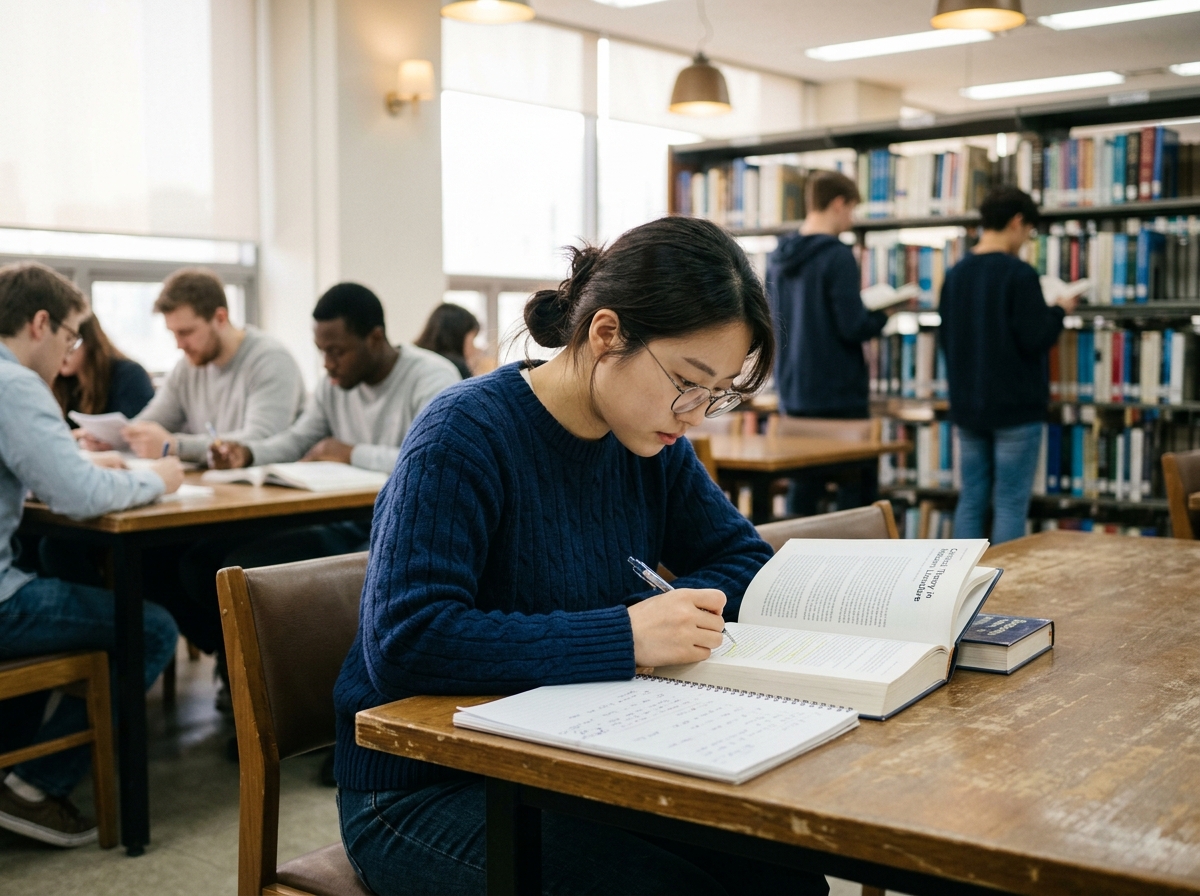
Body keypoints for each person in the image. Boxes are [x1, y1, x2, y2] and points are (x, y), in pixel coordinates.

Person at [331, 217, 829, 896]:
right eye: (688, 381)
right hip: (426, 788)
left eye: (715, 394)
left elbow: (742, 558)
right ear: (605, 334)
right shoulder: (463, 432)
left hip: (570, 758)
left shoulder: (652, 445)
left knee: (785, 876)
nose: (695, 415)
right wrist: (623, 635)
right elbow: (407, 640)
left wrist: (661, 616)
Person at [185, 283, 460, 715]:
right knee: (230, 563)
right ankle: (262, 699)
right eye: (322, 352)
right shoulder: (334, 385)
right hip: (344, 522)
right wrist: (248, 452)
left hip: (404, 532)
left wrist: (351, 452)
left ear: (374, 338)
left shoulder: (431, 376)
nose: (328, 364)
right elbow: (300, 439)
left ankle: (337, 717)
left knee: (318, 584)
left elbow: (431, 457)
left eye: (337, 351)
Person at [0, 262, 183, 848]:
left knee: (51, 566)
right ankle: (32, 786)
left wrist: (77, 467)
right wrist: (160, 479)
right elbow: (78, 498)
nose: (70, 351)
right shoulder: (15, 384)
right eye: (70, 336)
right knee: (152, 628)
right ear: (40, 323)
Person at [939, 186, 1077, 545]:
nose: (1026, 240)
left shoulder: (956, 274)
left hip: (968, 405)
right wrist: (1060, 310)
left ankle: (956, 587)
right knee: (1010, 503)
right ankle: (1002, 592)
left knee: (971, 500)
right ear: (1017, 222)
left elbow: (946, 340)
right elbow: (1034, 338)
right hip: (1016, 408)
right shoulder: (1020, 274)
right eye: (1029, 232)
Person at [766, 170, 904, 515]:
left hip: (793, 391)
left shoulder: (778, 257)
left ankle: (793, 563)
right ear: (839, 204)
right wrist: (886, 314)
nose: (851, 219)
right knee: (854, 493)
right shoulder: (837, 255)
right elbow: (852, 326)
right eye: (851, 209)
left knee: (803, 490)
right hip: (838, 394)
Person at [117, 267, 305, 463]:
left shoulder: (270, 361)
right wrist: (114, 438)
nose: (179, 345)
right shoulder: (187, 367)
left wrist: (176, 446)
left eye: (186, 332)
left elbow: (259, 441)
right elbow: (151, 421)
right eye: (173, 333)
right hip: (214, 485)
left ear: (220, 318)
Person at [53, 314, 154, 421]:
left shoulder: (130, 375)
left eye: (69, 342)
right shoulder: (60, 382)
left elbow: (137, 429)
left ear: (89, 341)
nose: (59, 353)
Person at [414, 302, 481, 379]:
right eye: (473, 339)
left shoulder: (414, 360)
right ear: (459, 336)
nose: (476, 348)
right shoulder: (457, 367)